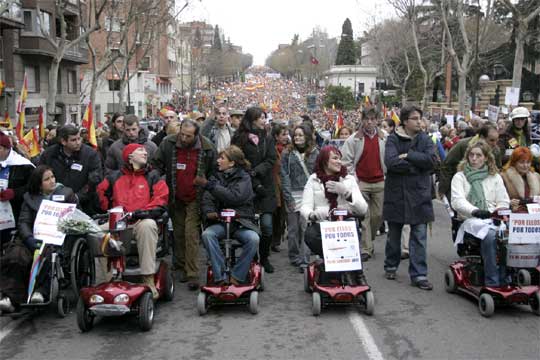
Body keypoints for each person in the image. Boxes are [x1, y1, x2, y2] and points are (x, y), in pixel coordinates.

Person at [97, 144, 169, 299]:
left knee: (148, 225)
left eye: (145, 150)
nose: (145, 152)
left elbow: (160, 199)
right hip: (119, 222)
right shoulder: (114, 177)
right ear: (130, 156)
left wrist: (141, 213)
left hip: (141, 220)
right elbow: (101, 197)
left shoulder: (153, 176)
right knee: (98, 232)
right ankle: (110, 279)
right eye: (140, 150)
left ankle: (148, 279)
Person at [151, 119, 216, 290]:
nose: (184, 138)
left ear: (196, 135)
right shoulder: (168, 143)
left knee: (191, 234)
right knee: (178, 233)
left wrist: (206, 184)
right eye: (182, 134)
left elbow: (214, 171)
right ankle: (179, 265)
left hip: (196, 197)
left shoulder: (207, 147)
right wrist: (156, 177)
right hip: (175, 196)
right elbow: (156, 164)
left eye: (188, 136)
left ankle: (192, 273)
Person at [5, 165, 78, 307]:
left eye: (52, 177)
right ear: (39, 184)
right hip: (33, 237)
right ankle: (10, 296)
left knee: (48, 253)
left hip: (55, 238)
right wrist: (29, 239)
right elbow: (24, 222)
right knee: (16, 255)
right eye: (47, 179)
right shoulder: (30, 198)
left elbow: (76, 219)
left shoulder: (66, 194)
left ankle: (41, 291)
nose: (52, 181)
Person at [383, 105, 436, 290]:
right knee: (394, 236)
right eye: (415, 118)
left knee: (419, 237)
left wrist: (409, 156)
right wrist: (416, 165)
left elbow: (432, 162)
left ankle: (419, 274)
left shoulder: (426, 139)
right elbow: (391, 162)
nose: (419, 122)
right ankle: (391, 265)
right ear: (405, 121)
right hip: (396, 194)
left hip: (419, 195)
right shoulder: (392, 139)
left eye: (420, 118)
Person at [300, 146, 368, 280]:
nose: (339, 162)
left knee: (352, 232)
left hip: (344, 223)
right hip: (323, 223)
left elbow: (363, 209)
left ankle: (357, 273)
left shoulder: (348, 179)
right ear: (325, 161)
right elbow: (305, 207)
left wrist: (346, 193)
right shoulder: (314, 179)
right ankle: (331, 263)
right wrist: (312, 215)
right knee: (310, 235)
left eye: (340, 159)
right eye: (335, 158)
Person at [197, 146, 260, 285]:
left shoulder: (244, 178)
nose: (218, 161)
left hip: (241, 223)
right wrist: (209, 212)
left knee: (253, 239)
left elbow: (234, 197)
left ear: (232, 163)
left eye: (222, 158)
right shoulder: (215, 177)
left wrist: (211, 186)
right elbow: (207, 199)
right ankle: (220, 275)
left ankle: (237, 275)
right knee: (207, 235)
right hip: (221, 222)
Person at [451, 141, 510, 287]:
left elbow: (503, 200)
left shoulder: (494, 177)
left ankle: (508, 277)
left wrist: (496, 212)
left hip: (493, 218)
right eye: (471, 155)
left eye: (478, 155)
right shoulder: (460, 176)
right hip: (471, 219)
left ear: (486, 158)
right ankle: (492, 281)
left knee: (511, 234)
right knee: (490, 236)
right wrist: (475, 211)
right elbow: (457, 201)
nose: (474, 158)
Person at [231, 107, 277, 273]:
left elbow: (271, 159)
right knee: (248, 226)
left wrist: (257, 171)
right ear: (251, 120)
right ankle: (251, 256)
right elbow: (237, 160)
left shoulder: (268, 137)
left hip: (265, 187)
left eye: (264, 117)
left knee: (267, 226)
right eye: (260, 118)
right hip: (246, 186)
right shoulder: (239, 138)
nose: (263, 120)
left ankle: (264, 257)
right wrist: (252, 176)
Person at [341, 106, 386, 261]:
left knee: (378, 215)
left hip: (380, 181)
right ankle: (366, 248)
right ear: (362, 121)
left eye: (373, 119)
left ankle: (369, 239)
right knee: (365, 216)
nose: (369, 122)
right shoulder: (353, 139)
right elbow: (346, 162)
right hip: (362, 183)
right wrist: (354, 179)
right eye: (366, 119)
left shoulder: (384, 138)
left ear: (377, 120)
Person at [39, 124, 102, 216]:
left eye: (79, 138)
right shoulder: (49, 154)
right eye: (73, 140)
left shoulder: (90, 154)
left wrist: (76, 197)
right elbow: (40, 176)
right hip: (54, 205)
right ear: (63, 141)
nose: (78, 142)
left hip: (84, 206)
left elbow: (95, 179)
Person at [281, 124, 319, 271]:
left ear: (307, 137)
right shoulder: (287, 153)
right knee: (293, 229)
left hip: (308, 193)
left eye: (300, 135)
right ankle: (294, 255)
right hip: (292, 193)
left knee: (305, 227)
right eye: (295, 135)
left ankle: (304, 259)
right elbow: (284, 175)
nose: (297, 137)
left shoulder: (316, 153)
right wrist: (288, 196)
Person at [439, 123, 502, 202]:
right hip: (461, 187)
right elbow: (447, 166)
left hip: (485, 191)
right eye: (492, 140)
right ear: (482, 137)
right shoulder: (462, 145)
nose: (495, 144)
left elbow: (497, 169)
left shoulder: (496, 150)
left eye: (497, 140)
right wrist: (443, 189)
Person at [0, 131, 35, 247]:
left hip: (15, 215)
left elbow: (34, 188)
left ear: (5, 149)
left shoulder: (23, 165)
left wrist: (15, 193)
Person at [501, 146, 540, 212]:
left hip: (535, 215)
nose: (525, 165)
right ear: (514, 162)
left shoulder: (537, 176)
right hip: (514, 215)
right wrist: (509, 203)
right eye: (522, 162)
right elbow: (499, 199)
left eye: (528, 162)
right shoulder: (503, 177)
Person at [270, 122, 289, 253]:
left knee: (283, 215)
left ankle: (277, 239)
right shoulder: (271, 149)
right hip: (274, 184)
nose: (286, 136)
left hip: (286, 184)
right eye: (283, 134)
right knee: (275, 213)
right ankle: (271, 240)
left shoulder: (289, 149)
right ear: (276, 136)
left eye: (287, 134)